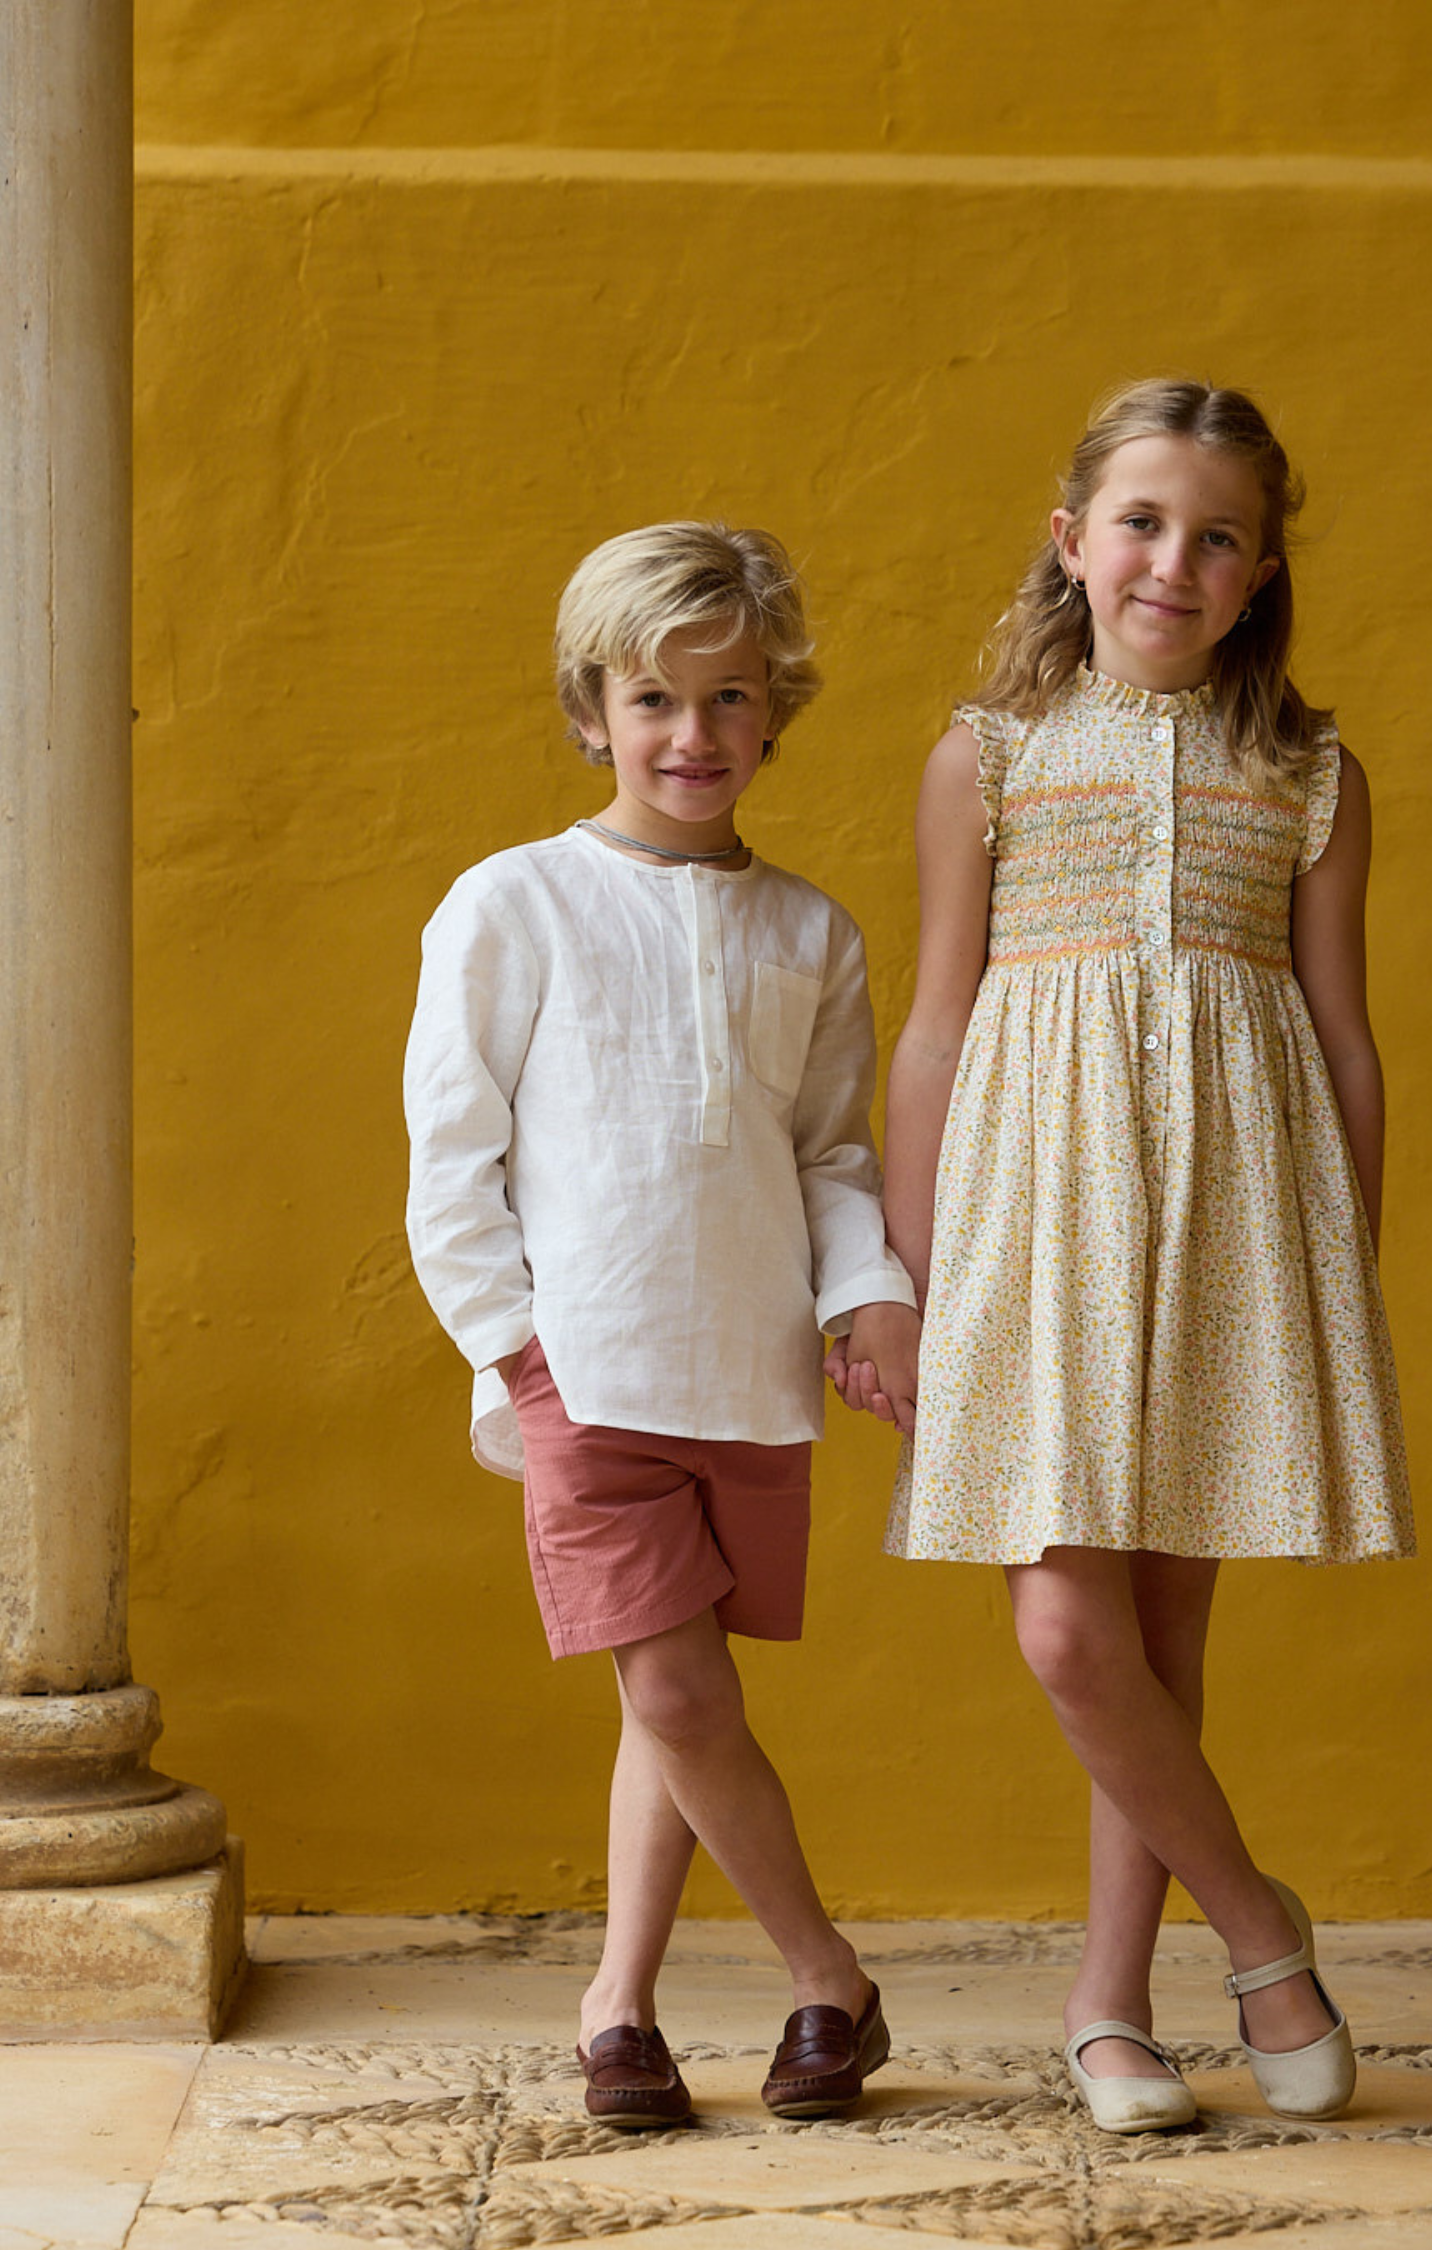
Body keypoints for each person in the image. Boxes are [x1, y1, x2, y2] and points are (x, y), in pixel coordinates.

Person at [832, 379, 1414, 2133]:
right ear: (1072, 541)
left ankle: (1108, 2010)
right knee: (1070, 1631)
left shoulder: (1313, 773)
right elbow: (933, 1030)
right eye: (1144, 520)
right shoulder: (986, 756)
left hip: (1238, 1231)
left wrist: (1343, 1282)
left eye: (1219, 532)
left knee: (1160, 1641)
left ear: (1259, 574)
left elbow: (1344, 1038)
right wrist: (914, 1278)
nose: (1177, 557)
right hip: (1034, 1223)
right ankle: (1264, 1933)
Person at [405, 522, 917, 2128]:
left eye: (731, 699)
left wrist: (868, 1295)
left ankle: (616, 2009)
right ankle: (829, 1974)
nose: (692, 737)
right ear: (589, 710)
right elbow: (451, 1152)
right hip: (589, 1370)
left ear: (775, 714)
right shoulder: (516, 904)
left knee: (668, 1697)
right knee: (684, 1693)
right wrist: (517, 1348)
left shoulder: (812, 934)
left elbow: (831, 1154)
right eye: (653, 700)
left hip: (750, 1375)